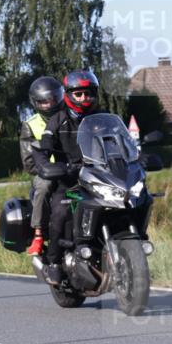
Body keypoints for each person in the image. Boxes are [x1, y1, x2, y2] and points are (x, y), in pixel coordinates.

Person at [32, 69, 106, 285]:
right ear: (69, 94)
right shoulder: (58, 120)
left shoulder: (102, 118)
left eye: (89, 93)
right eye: (79, 94)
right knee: (62, 211)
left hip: (99, 178)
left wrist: (137, 155)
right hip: (70, 181)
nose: (85, 98)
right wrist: (47, 165)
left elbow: (122, 141)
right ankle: (54, 262)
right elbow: (44, 146)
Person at [20, 77, 65, 255]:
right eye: (43, 102)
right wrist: (48, 169)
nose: (49, 104)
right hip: (48, 173)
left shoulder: (70, 117)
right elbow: (29, 163)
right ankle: (38, 234)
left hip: (74, 168)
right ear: (36, 103)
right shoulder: (30, 125)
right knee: (43, 186)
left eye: (52, 99)